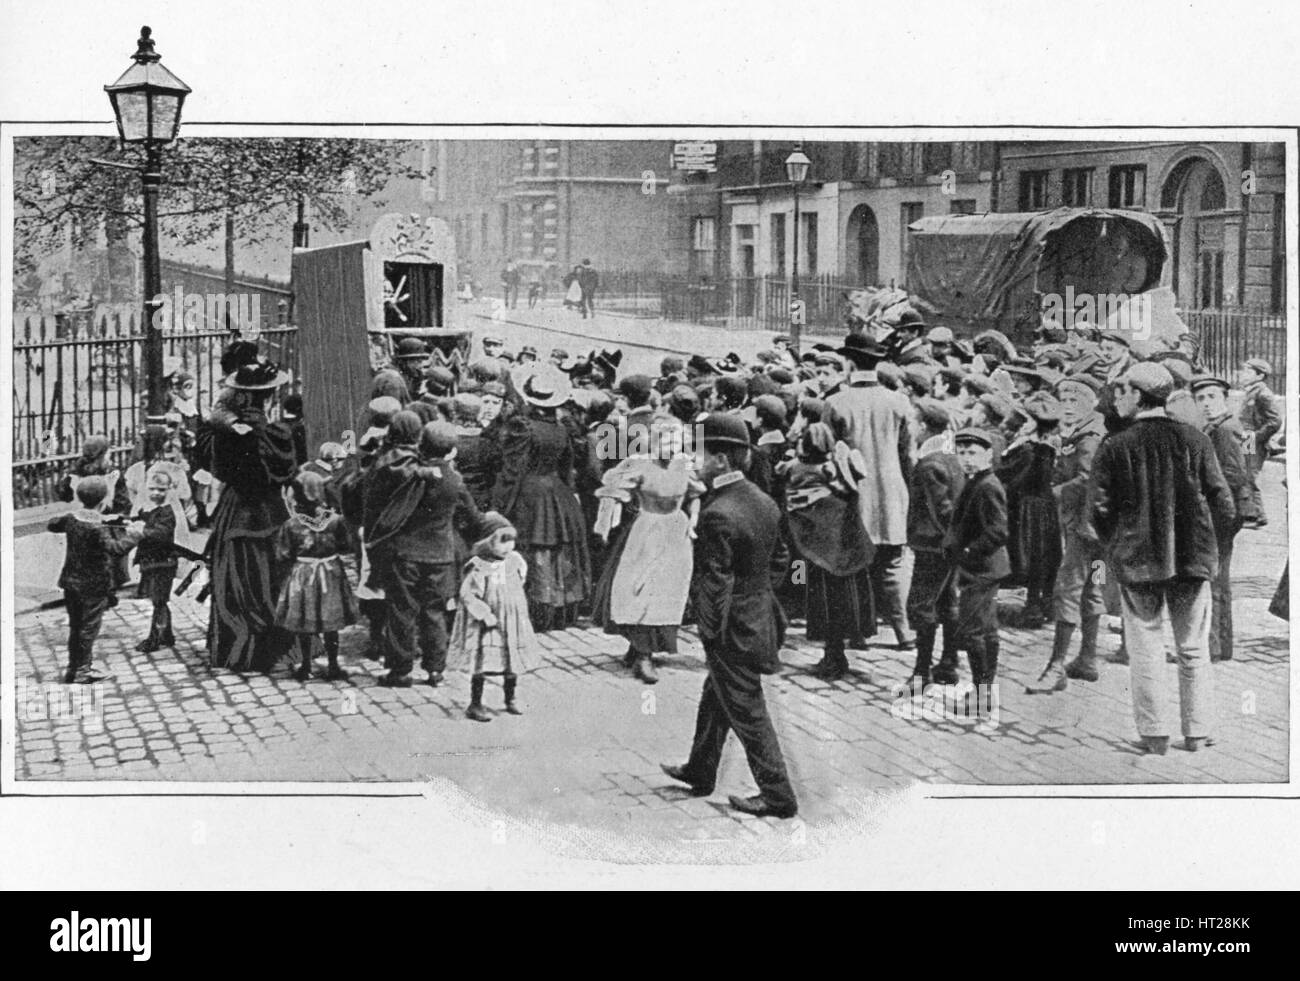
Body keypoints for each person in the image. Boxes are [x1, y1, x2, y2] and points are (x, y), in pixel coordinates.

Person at [1089, 362, 1235, 755]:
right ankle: (1198, 732)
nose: (1118, 400)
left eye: (1123, 392)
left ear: (1139, 396)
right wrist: (1207, 543)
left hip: (1138, 561)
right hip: (1191, 559)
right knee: (1192, 648)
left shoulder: (1115, 446)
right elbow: (1223, 502)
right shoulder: (1195, 439)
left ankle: (1154, 736)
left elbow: (1099, 510)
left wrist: (1118, 543)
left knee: (1146, 647)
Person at [660, 413, 798, 819]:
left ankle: (778, 797)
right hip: (759, 617)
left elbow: (714, 581)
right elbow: (781, 559)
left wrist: (709, 629)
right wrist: (755, 594)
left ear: (720, 460)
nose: (692, 459)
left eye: (698, 452)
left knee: (748, 712)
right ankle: (700, 770)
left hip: (732, 630)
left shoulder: (719, 512)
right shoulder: (761, 499)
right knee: (715, 696)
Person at [197, 357, 298, 673]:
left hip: (235, 509)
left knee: (236, 576)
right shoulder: (278, 434)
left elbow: (218, 467)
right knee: (272, 574)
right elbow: (287, 472)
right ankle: (273, 648)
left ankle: (236, 649)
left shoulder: (224, 434)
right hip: (269, 510)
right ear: (269, 396)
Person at [591, 416, 702, 684]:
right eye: (667, 441)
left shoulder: (684, 465)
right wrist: (606, 522)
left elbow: (696, 495)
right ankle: (641, 652)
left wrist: (693, 524)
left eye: (677, 442)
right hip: (647, 531)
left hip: (676, 531)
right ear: (655, 440)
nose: (672, 447)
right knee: (640, 588)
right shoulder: (640, 464)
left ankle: (643, 650)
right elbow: (613, 490)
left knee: (667, 591)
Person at [825, 334, 914, 649]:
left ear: (849, 362)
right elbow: (908, 455)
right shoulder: (899, 402)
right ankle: (904, 632)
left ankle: (857, 631)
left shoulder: (835, 402)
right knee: (892, 564)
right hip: (892, 492)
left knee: (854, 565)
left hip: (853, 493)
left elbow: (828, 454)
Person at [490, 367, 592, 631]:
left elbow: (513, 469)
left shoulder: (522, 427)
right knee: (557, 550)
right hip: (558, 492)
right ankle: (559, 611)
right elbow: (567, 468)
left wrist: (499, 505)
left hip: (530, 493)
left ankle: (536, 611)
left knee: (535, 550)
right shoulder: (561, 429)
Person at [1026, 374, 1107, 693]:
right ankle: (1087, 659)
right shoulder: (1084, 431)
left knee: (1068, 589)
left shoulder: (1090, 437)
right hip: (1100, 535)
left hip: (1083, 531)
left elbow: (1086, 479)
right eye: (1065, 400)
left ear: (1092, 403)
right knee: (1094, 588)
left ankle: (1056, 665)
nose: (1069, 407)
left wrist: (1054, 493)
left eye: (1077, 401)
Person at [781, 422, 874, 681]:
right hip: (843, 550)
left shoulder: (799, 469)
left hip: (816, 556)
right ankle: (840, 650)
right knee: (842, 602)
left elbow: (786, 474)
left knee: (821, 603)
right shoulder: (839, 472)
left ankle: (832, 657)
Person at [48, 477, 144, 684]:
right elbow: (116, 549)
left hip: (70, 583)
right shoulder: (97, 529)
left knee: (76, 627)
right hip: (93, 586)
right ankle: (83, 670)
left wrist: (100, 517)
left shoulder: (74, 519)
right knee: (89, 627)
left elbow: (53, 524)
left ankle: (73, 668)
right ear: (103, 500)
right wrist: (135, 535)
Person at [943, 428, 1010, 715]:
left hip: (982, 568)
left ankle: (982, 695)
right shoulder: (975, 481)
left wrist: (969, 552)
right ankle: (984, 690)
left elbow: (998, 531)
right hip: (981, 568)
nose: (966, 459)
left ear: (987, 454)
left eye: (973, 453)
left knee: (973, 630)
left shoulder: (987, 485)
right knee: (986, 628)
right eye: (962, 453)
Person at [1191, 374, 1257, 662]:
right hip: (1223, 512)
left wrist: (1224, 516)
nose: (1206, 403)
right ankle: (1219, 644)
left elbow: (1234, 475)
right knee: (1216, 579)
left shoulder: (1225, 429)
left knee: (1215, 580)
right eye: (1201, 398)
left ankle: (1215, 645)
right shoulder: (1221, 425)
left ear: (1224, 399)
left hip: (1220, 514)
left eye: (1211, 397)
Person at [450, 513, 539, 721]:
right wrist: (484, 613)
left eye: (511, 541)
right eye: (502, 541)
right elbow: (468, 595)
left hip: (512, 620)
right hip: (489, 623)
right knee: (482, 661)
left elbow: (520, 581)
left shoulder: (515, 561)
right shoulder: (479, 566)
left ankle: (510, 698)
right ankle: (475, 703)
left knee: (511, 660)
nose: (508, 546)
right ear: (487, 542)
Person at [903, 400, 965, 689]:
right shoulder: (952, 456)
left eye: (914, 423)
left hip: (932, 546)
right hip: (949, 547)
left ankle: (921, 671)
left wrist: (945, 540)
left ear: (925, 427)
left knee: (921, 605)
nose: (911, 429)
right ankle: (949, 661)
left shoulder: (929, 465)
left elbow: (942, 510)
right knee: (947, 601)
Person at [274, 471, 357, 681]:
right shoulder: (336, 520)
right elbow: (346, 546)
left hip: (303, 574)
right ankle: (333, 665)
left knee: (305, 622)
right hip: (330, 573)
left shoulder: (292, 524)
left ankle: (306, 666)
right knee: (331, 624)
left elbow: (282, 554)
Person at [131, 470, 180, 653]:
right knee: (159, 600)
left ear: (169, 490)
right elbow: (141, 520)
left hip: (163, 563)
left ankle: (155, 638)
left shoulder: (167, 513)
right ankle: (166, 634)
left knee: (159, 601)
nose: (156, 493)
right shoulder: (148, 510)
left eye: (161, 490)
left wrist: (142, 531)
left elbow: (161, 534)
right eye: (152, 489)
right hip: (151, 561)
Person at [1237, 357, 1281, 527]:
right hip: (1247, 439)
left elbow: (1275, 421)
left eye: (1248, 371)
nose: (1243, 374)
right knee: (1244, 475)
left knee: (1249, 476)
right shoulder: (1252, 391)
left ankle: (1259, 516)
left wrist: (1256, 436)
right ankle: (1250, 514)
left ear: (1260, 375)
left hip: (1253, 440)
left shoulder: (1263, 394)